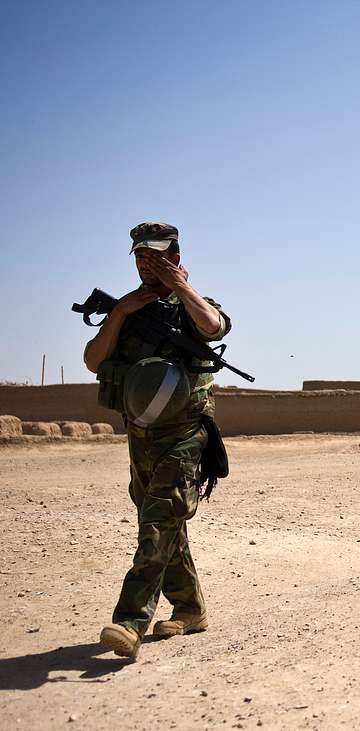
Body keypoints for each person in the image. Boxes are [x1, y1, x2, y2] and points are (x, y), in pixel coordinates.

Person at [85, 222, 231, 660]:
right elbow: (94, 360)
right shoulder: (127, 310)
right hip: (141, 435)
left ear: (175, 255)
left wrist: (181, 288)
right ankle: (189, 609)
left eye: (156, 255)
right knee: (166, 525)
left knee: (157, 523)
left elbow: (214, 328)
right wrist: (120, 313)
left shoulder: (192, 303)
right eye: (140, 256)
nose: (146, 262)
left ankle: (129, 622)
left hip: (185, 433)